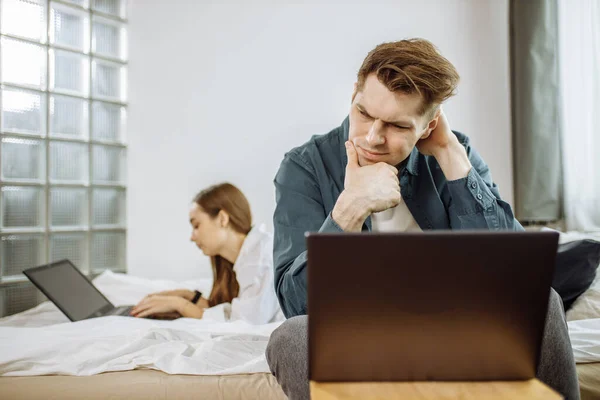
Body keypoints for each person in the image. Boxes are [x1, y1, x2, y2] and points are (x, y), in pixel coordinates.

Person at [266, 39, 579, 400]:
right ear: (354, 93)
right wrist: (350, 208)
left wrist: (450, 155)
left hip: (457, 330)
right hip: (359, 338)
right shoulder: (304, 167)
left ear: (428, 126)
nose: (372, 137)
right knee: (291, 338)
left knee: (542, 301)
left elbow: (518, 275)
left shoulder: (453, 153)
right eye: (364, 113)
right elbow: (296, 306)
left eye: (397, 126)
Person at [131, 183, 283, 324]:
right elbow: (228, 310)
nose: (192, 237)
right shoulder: (247, 258)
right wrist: (187, 295)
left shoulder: (261, 260)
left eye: (196, 225)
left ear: (223, 219)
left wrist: (179, 304)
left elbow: (241, 323)